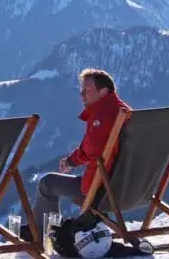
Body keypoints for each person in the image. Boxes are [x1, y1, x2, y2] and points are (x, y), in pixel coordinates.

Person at [26, 68, 130, 242]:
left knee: (47, 183)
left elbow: (94, 152)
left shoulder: (102, 116)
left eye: (86, 90)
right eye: (81, 91)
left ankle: (39, 236)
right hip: (128, 185)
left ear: (103, 92)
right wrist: (72, 160)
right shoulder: (125, 111)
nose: (81, 95)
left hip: (101, 188)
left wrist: (71, 161)